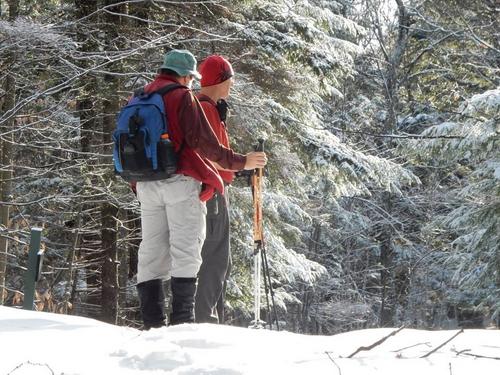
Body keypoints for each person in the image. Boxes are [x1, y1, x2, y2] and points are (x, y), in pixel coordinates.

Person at [134, 49, 267, 329]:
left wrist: (137, 183)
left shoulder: (141, 95)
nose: (193, 83)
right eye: (191, 78)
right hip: (181, 183)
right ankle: (183, 326)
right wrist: (241, 162)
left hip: (147, 184)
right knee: (187, 252)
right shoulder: (183, 97)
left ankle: (152, 326)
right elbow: (205, 144)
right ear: (185, 76)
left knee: (151, 252)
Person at [194, 55, 237, 323]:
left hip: (211, 188)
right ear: (220, 79)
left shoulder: (206, 107)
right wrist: (241, 163)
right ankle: (204, 319)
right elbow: (211, 154)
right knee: (215, 257)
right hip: (213, 191)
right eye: (229, 79)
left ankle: (209, 316)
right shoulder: (206, 108)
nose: (231, 85)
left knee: (217, 258)